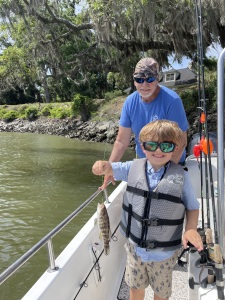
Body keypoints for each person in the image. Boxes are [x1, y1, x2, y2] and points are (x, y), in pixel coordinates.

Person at [92, 120, 203, 300]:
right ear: (143, 147)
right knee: (135, 289)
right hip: (135, 249)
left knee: (161, 293)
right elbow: (111, 167)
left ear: (174, 148)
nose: (158, 151)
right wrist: (103, 166)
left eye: (166, 146)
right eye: (151, 145)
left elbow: (192, 207)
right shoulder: (132, 167)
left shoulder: (181, 176)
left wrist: (190, 229)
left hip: (164, 255)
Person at [102, 57, 188, 189]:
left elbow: (181, 141)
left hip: (171, 162)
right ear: (134, 81)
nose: (144, 84)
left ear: (157, 78)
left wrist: (164, 173)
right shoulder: (130, 102)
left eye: (150, 79)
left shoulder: (172, 100)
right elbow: (121, 141)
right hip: (144, 163)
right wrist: (109, 169)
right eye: (139, 79)